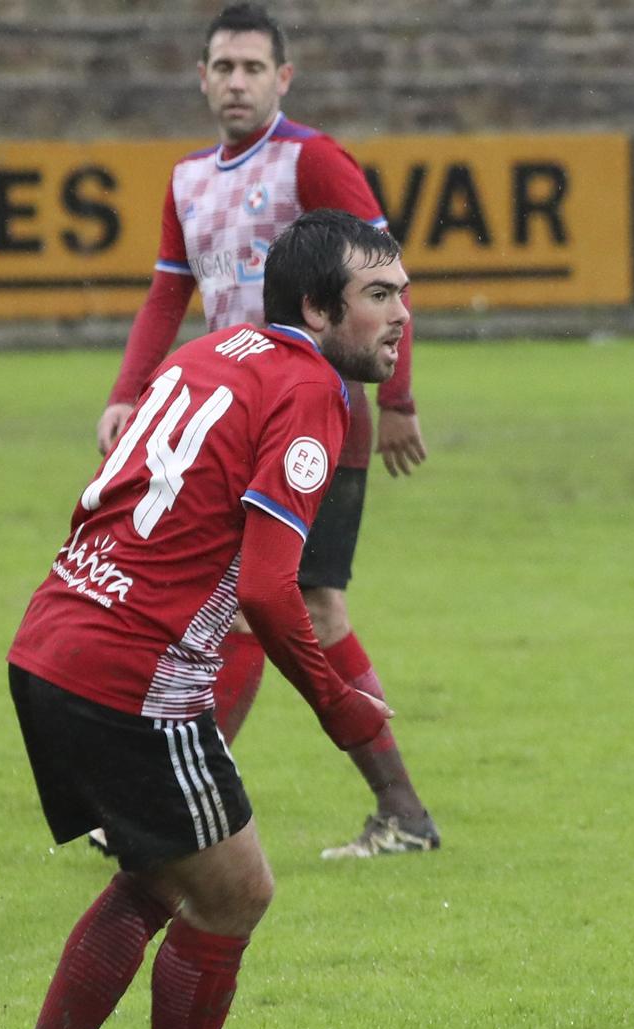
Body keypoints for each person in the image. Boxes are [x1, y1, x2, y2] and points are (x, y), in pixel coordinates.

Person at [0, 210, 411, 1029]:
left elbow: (114, 486)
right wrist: (345, 710)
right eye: (379, 296)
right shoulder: (311, 391)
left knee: (161, 871)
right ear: (316, 305)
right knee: (235, 890)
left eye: (405, 296)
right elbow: (269, 585)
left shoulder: (211, 351)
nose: (400, 319)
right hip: (131, 675)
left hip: (53, 637)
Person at [95, 3, 437, 859]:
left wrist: (396, 397)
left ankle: (172, 804)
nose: (237, 81)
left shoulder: (312, 161)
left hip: (311, 412)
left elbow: (385, 278)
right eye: (224, 67)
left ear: (283, 78)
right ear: (201, 77)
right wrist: (129, 392)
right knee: (258, 607)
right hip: (226, 421)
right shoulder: (186, 179)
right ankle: (398, 812)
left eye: (254, 67)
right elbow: (167, 292)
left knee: (276, 606)